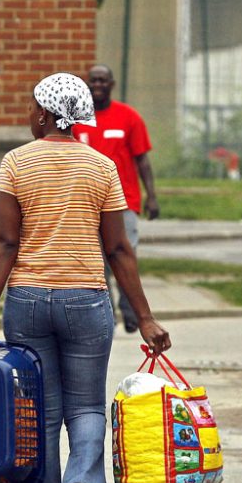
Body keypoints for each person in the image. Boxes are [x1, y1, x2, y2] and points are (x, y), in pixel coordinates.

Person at [0, 71, 171, 483]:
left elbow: (4, 242)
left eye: (30, 107)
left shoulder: (16, 163)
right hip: (86, 300)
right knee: (85, 408)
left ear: (45, 114)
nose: (27, 114)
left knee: (40, 418)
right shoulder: (101, 166)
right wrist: (145, 317)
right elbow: (119, 249)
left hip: (28, 301)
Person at [72, 64, 159, 333]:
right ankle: (107, 313)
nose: (97, 85)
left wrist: (151, 196)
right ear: (87, 84)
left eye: (103, 80)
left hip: (124, 202)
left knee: (125, 254)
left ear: (112, 84)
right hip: (87, 204)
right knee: (98, 262)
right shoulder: (76, 120)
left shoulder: (129, 117)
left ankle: (131, 309)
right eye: (93, 80)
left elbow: (142, 160)